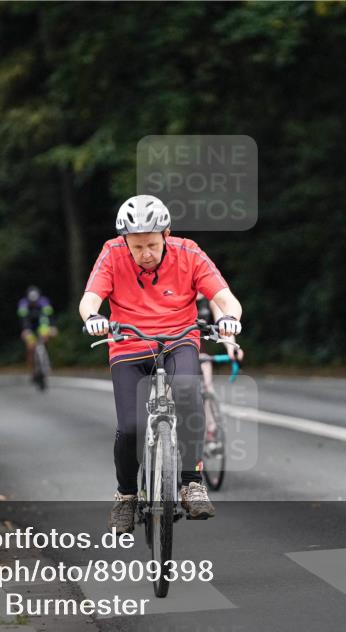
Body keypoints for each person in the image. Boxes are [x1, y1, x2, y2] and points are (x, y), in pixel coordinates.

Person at [79, 195, 244, 533]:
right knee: (130, 427)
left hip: (179, 339)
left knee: (189, 396)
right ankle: (125, 496)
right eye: (136, 246)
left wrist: (229, 318)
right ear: (125, 240)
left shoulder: (189, 252)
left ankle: (191, 483)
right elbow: (90, 299)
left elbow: (224, 297)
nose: (145, 254)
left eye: (152, 244)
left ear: (167, 233)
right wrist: (94, 317)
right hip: (127, 343)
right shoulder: (112, 253)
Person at [196, 293, 244, 443]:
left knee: (207, 387)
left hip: (199, 350)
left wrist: (232, 349)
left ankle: (210, 429)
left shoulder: (207, 291)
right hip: (171, 347)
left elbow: (221, 321)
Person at [17, 285, 57, 374]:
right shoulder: (23, 304)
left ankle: (46, 357)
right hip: (29, 326)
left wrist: (53, 327)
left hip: (42, 323)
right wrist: (25, 330)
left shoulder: (44, 302)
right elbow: (23, 319)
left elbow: (50, 316)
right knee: (30, 346)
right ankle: (32, 368)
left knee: (45, 337)